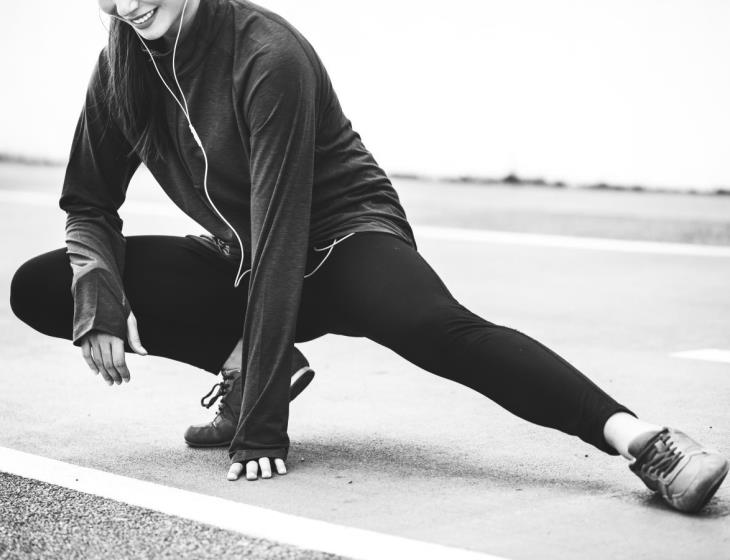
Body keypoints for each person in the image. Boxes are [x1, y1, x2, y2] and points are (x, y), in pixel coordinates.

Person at [9, 0, 728, 513]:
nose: (123, 5)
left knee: (441, 331)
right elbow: (89, 204)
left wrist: (262, 426)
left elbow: (285, 236)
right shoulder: (121, 68)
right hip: (246, 257)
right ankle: (257, 361)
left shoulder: (266, 53)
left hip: (343, 239)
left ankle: (646, 443)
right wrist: (98, 295)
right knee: (45, 287)